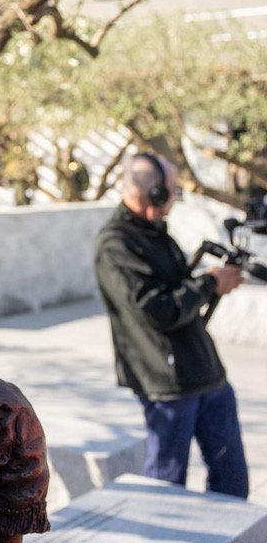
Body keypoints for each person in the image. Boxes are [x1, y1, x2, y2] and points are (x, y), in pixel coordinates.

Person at [94, 152, 248, 497]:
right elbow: (157, 310)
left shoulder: (156, 232)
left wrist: (209, 281)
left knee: (232, 482)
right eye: (172, 191)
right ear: (154, 192)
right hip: (167, 385)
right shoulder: (115, 245)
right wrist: (209, 284)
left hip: (207, 375)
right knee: (165, 487)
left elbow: (176, 292)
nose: (175, 199)